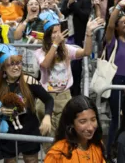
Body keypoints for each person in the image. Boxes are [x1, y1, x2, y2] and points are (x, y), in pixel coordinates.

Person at [35, 12, 102, 141]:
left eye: (59, 32)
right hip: (46, 98)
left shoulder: (66, 49)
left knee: (64, 137)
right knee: (48, 139)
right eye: (53, 32)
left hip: (65, 96)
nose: (57, 35)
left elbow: (86, 52)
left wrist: (88, 33)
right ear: (47, 35)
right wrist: (55, 44)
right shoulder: (40, 52)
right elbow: (45, 64)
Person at [0, 44, 53, 163]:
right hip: (9, 134)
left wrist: (47, 116)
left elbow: (48, 99)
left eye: (18, 63)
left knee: (31, 160)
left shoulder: (29, 81)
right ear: (3, 68)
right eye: (11, 64)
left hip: (29, 131)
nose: (16, 67)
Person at [45, 95, 106, 163]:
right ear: (71, 123)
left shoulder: (97, 145)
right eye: (83, 121)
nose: (90, 128)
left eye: (93, 120)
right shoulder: (57, 154)